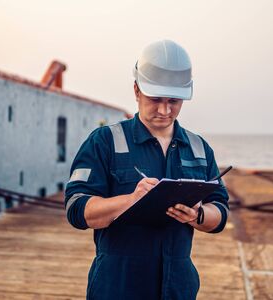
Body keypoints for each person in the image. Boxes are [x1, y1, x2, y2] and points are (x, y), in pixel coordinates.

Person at [65, 40, 229, 300]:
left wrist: (197, 215)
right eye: (155, 99)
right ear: (136, 90)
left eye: (174, 101)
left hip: (178, 288)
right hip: (116, 287)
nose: (165, 110)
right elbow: (77, 209)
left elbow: (220, 212)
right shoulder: (104, 141)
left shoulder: (199, 148)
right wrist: (130, 200)